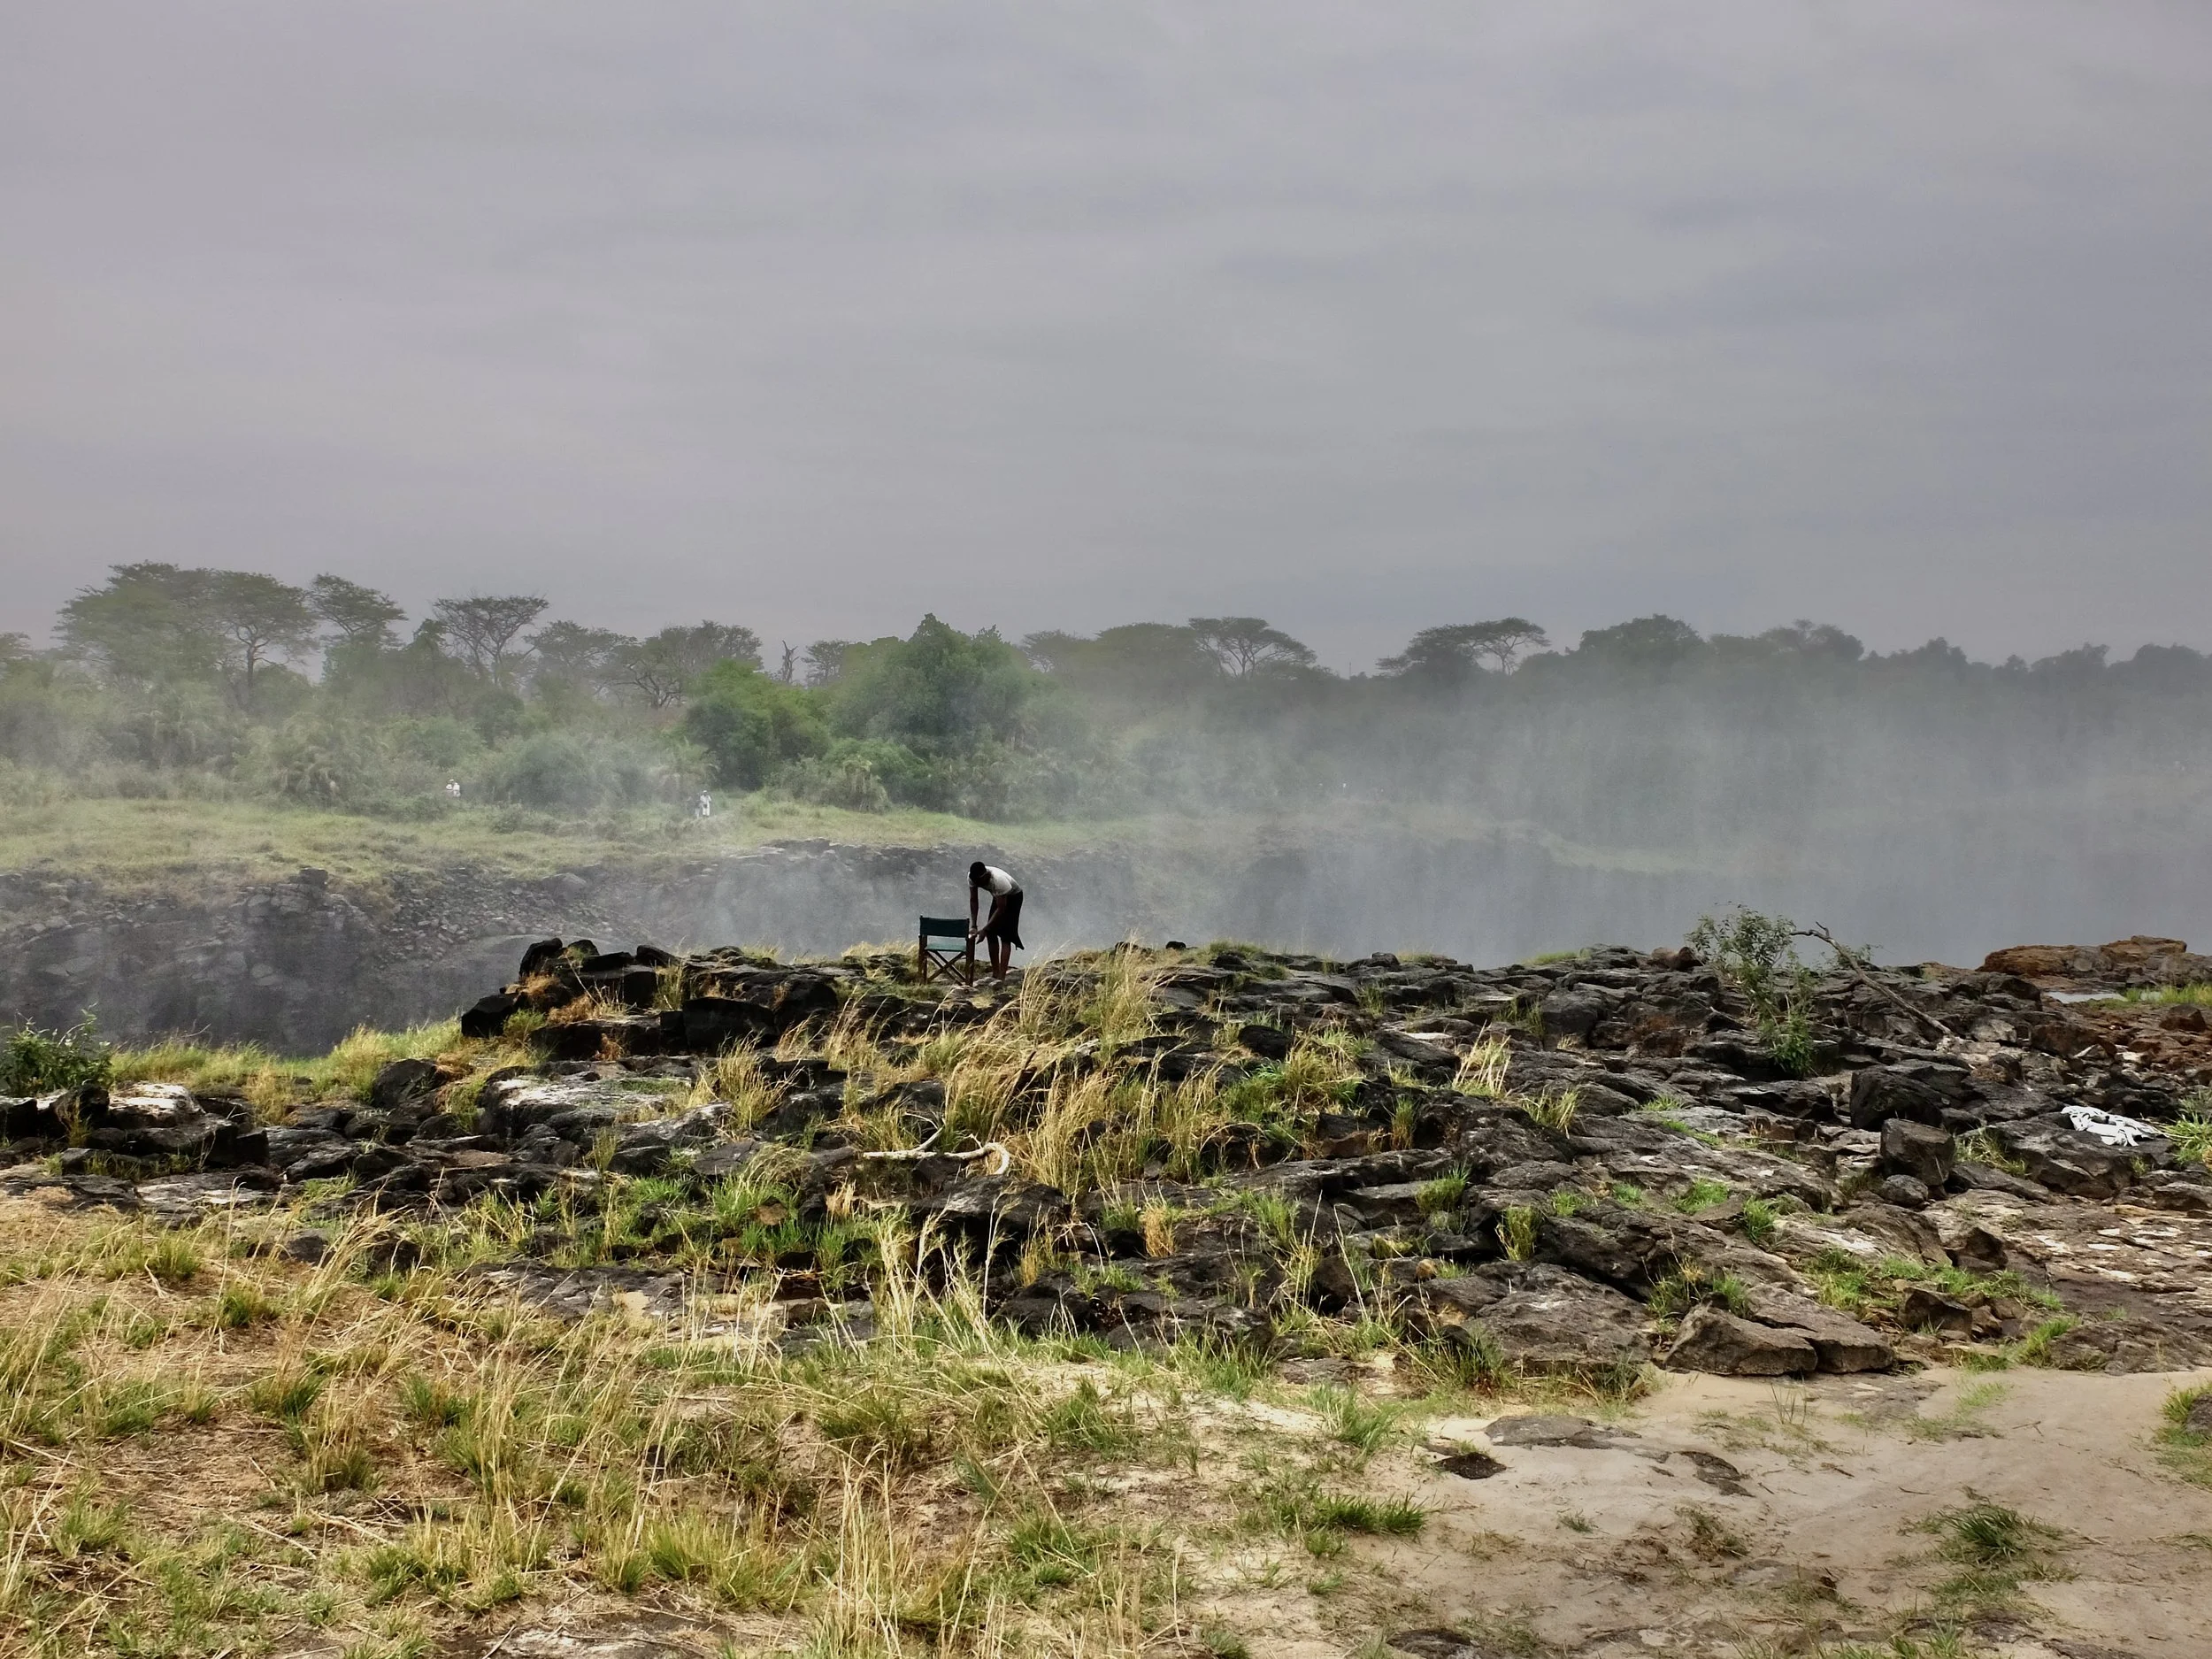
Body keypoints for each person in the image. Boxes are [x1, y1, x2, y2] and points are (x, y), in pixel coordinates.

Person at [968, 860, 1024, 980]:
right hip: (998, 896)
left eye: (980, 882)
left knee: (1006, 935)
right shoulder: (972, 877)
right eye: (976, 882)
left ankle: (1002, 977)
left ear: (986, 875)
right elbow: (973, 900)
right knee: (991, 933)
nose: (978, 884)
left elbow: (1001, 909)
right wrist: (974, 926)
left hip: (1013, 896)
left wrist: (985, 929)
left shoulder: (998, 881)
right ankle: (995, 972)